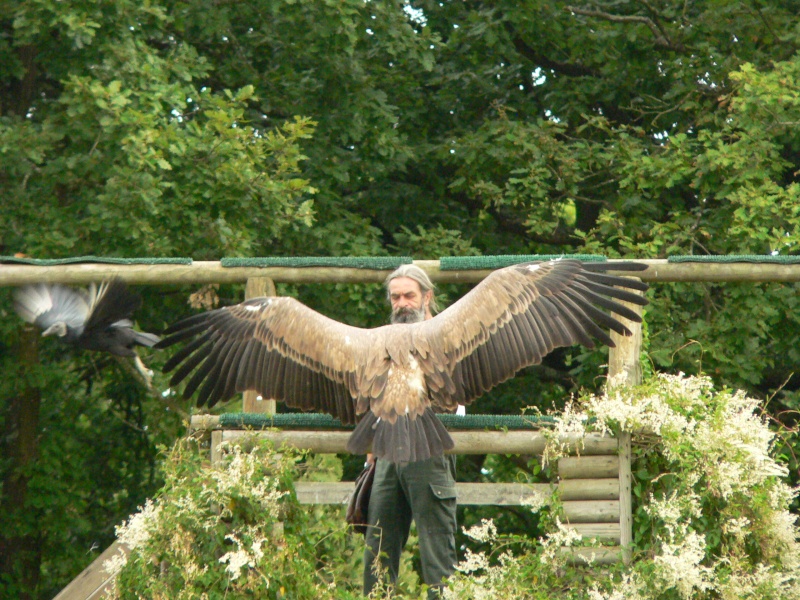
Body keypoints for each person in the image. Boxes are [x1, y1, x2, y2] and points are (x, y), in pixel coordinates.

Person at [363, 264, 460, 598]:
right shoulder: (382, 342)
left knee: (438, 561)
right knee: (377, 556)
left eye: (409, 295)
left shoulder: (449, 335)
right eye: (396, 297)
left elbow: (460, 400)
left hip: (429, 451)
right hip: (387, 454)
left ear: (426, 297)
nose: (402, 303)